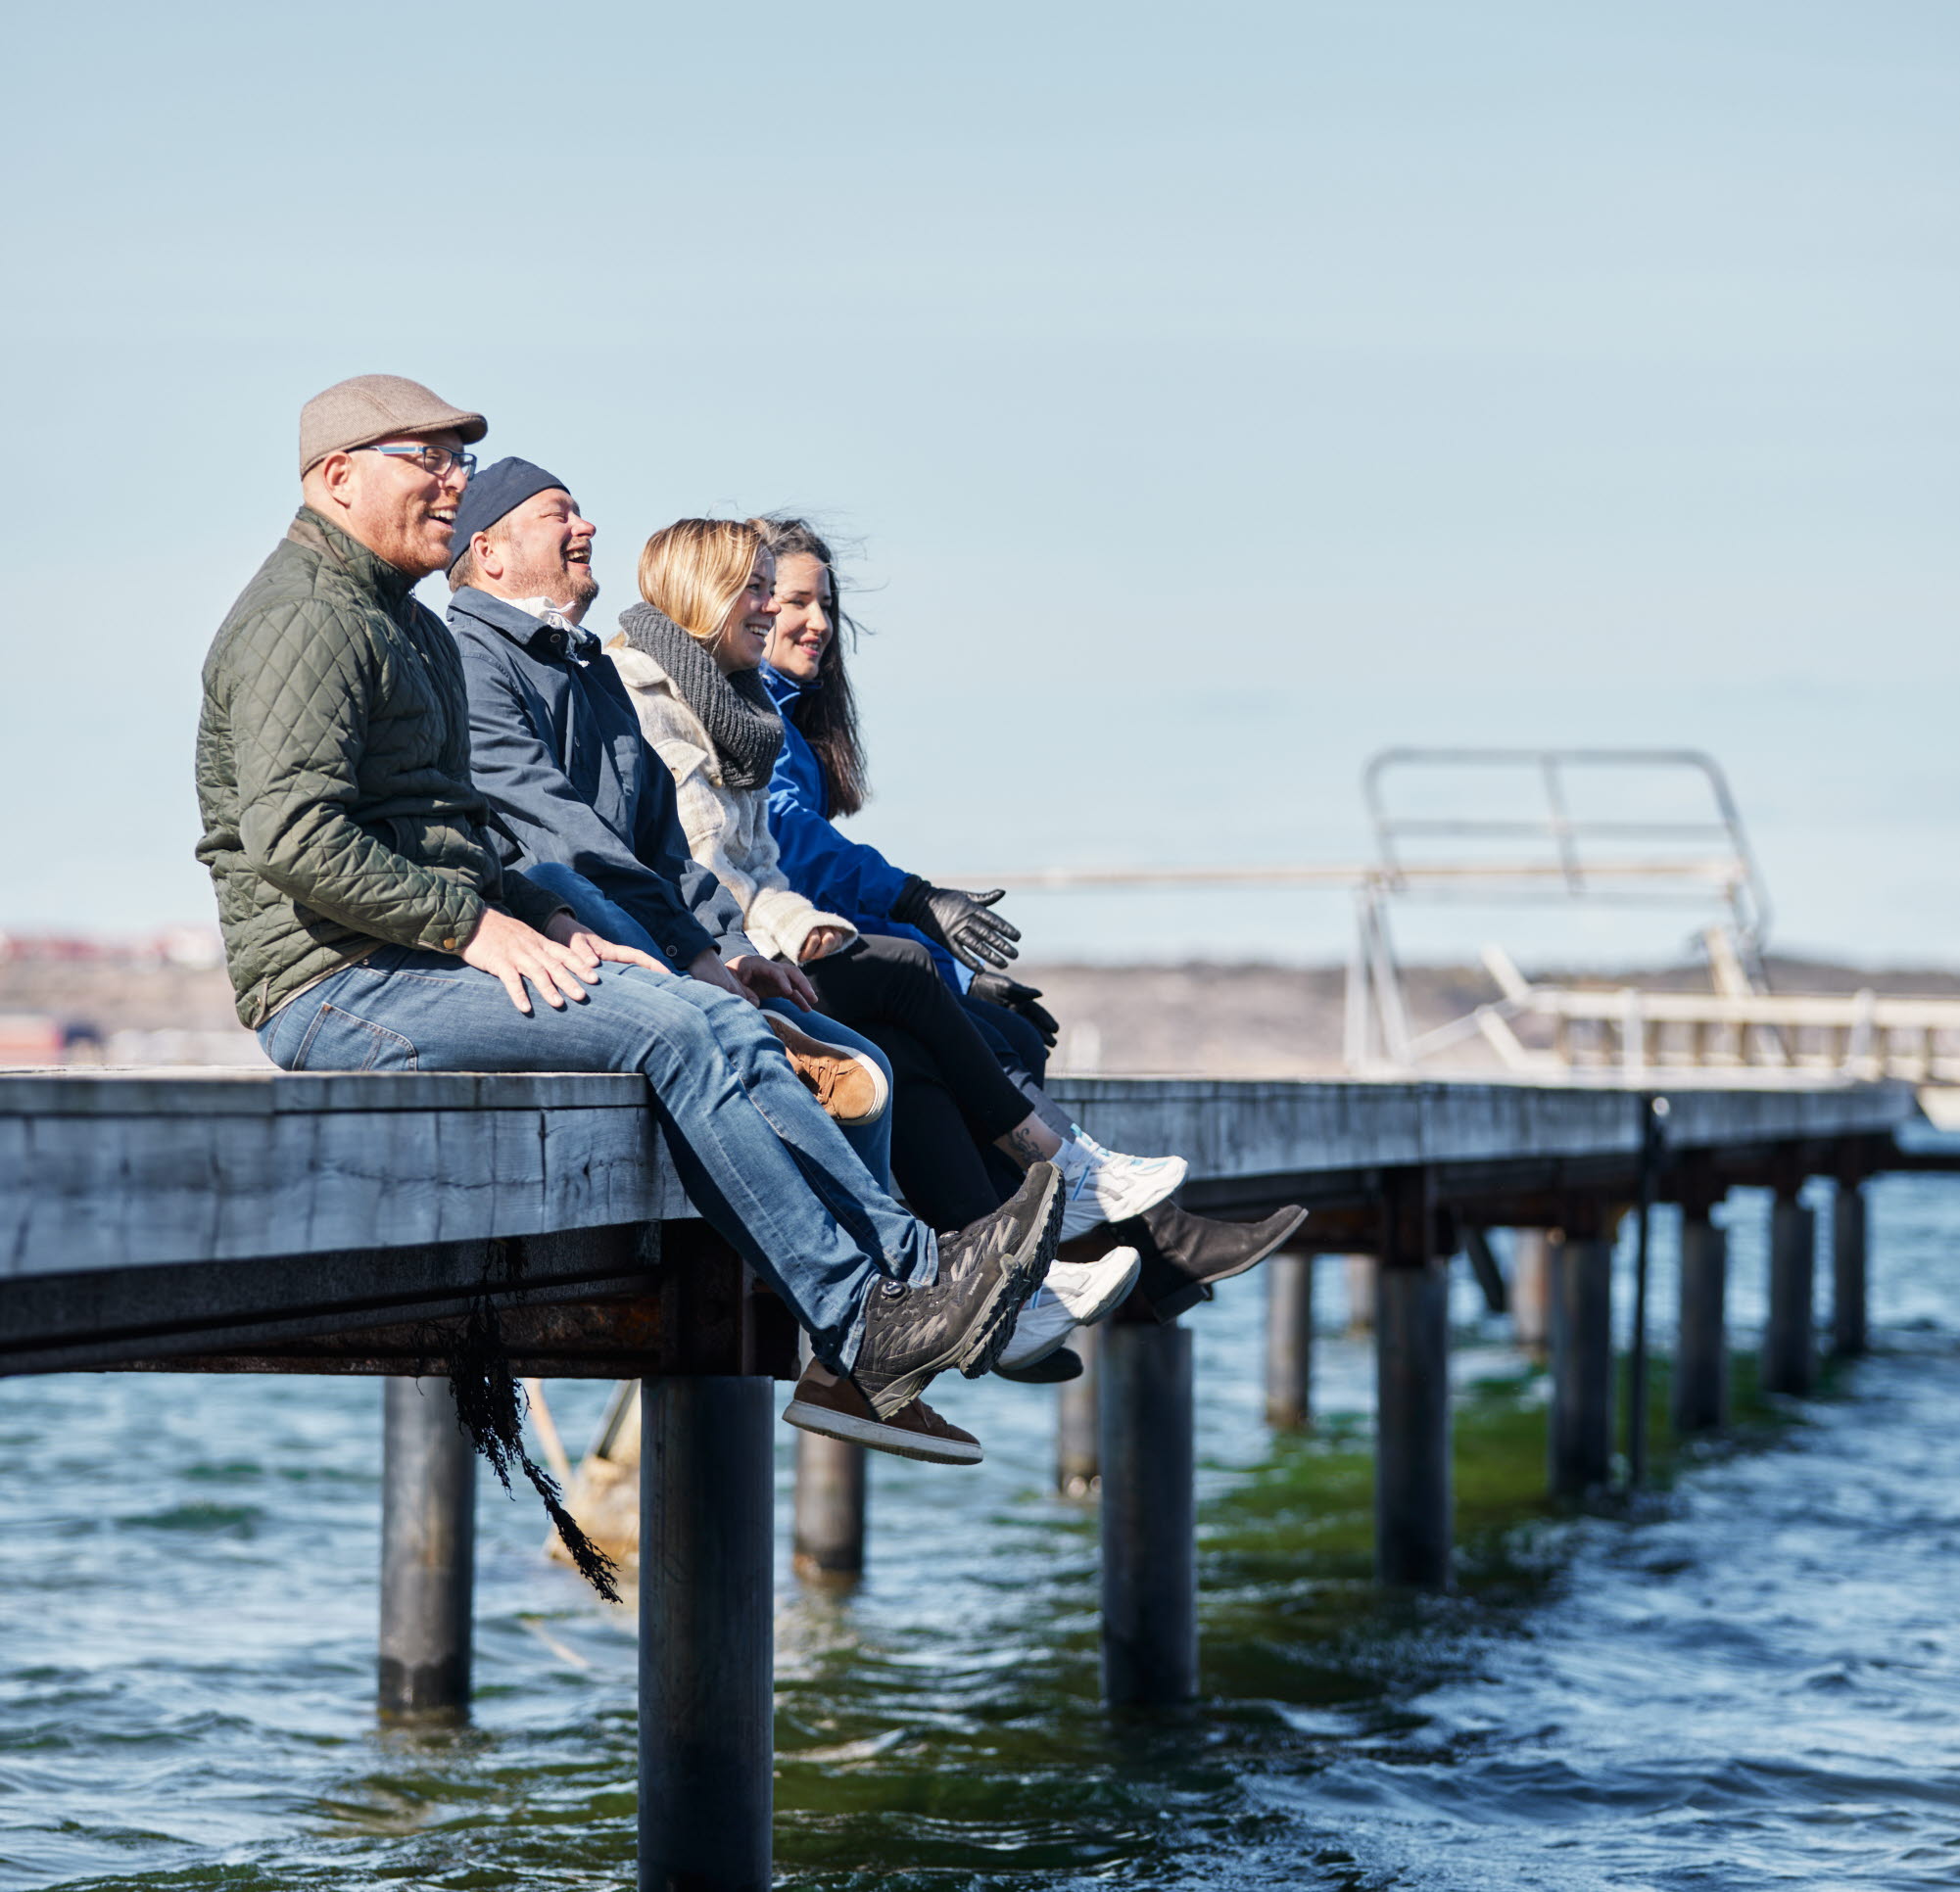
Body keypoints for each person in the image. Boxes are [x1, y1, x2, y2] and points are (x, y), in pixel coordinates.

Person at [193, 375, 1064, 1468]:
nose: (453, 481)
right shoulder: (306, 620)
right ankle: (875, 1315)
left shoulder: (398, 625)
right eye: (430, 459)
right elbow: (296, 839)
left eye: (460, 462)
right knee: (675, 1028)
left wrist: (548, 913)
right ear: (337, 478)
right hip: (337, 989)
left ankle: (901, 1297)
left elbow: (465, 833)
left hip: (416, 953)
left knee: (710, 1013)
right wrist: (472, 928)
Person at [604, 517, 1183, 1373]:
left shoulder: (744, 707)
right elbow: (709, 866)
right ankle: (1062, 1184)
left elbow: (760, 864)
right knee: (912, 979)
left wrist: (805, 927)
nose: (782, 614)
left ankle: (1009, 1292)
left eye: (795, 597)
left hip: (757, 943)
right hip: (706, 963)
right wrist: (898, 911)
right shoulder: (660, 697)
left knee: (917, 1048)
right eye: (763, 591)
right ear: (704, 592)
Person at [752, 516, 1308, 1317]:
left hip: (807, 959)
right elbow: (790, 851)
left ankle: (1075, 1270)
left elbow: (810, 887)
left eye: (825, 605)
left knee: (999, 1033)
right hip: (765, 973)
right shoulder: (747, 716)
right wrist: (918, 907)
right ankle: (1051, 1272)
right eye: (795, 600)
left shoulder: (779, 714)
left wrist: (957, 977)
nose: (817, 623)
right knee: (939, 1039)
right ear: (740, 595)